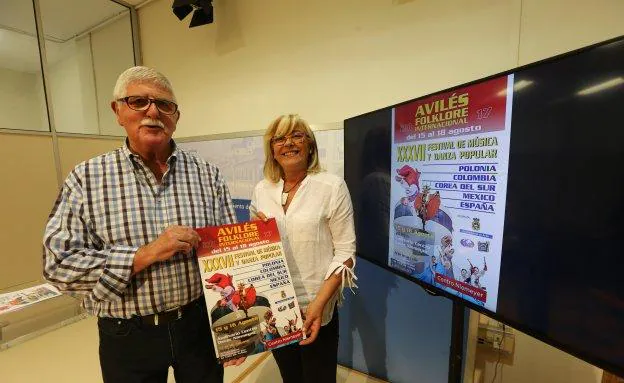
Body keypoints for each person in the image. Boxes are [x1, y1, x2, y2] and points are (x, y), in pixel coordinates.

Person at [42, 66, 240, 383]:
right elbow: (58, 265)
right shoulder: (87, 178)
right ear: (117, 111)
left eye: (165, 105)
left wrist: (235, 326)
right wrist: (143, 255)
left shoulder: (207, 174)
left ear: (176, 116)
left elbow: (230, 255)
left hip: (198, 325)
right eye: (138, 101)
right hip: (127, 334)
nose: (153, 111)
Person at [250, 114, 357, 383]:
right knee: (290, 376)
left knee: (318, 378)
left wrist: (318, 306)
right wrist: (255, 232)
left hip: (315, 305)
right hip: (275, 307)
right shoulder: (262, 190)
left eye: (297, 136)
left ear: (310, 144)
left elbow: (346, 253)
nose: (289, 143)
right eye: (280, 138)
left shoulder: (331, 186)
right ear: (272, 149)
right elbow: (254, 247)